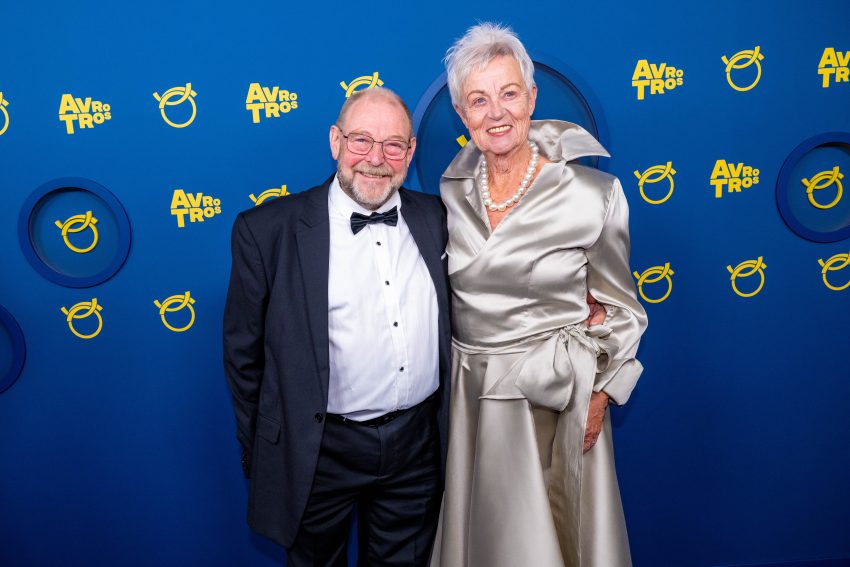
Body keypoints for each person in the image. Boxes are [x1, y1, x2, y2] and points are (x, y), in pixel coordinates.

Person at [430, 23, 648, 567]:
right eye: (478, 100)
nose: (496, 112)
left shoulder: (593, 195)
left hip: (556, 401)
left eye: (508, 93)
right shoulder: (451, 189)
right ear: (461, 113)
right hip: (472, 395)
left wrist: (599, 396)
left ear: (531, 97)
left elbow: (623, 310)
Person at [223, 87, 451, 567]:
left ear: (411, 151)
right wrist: (269, 448)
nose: (376, 159)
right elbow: (244, 358)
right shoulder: (267, 231)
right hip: (318, 450)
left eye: (393, 145)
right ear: (335, 141)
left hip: (417, 446)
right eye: (361, 140)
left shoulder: (438, 219)